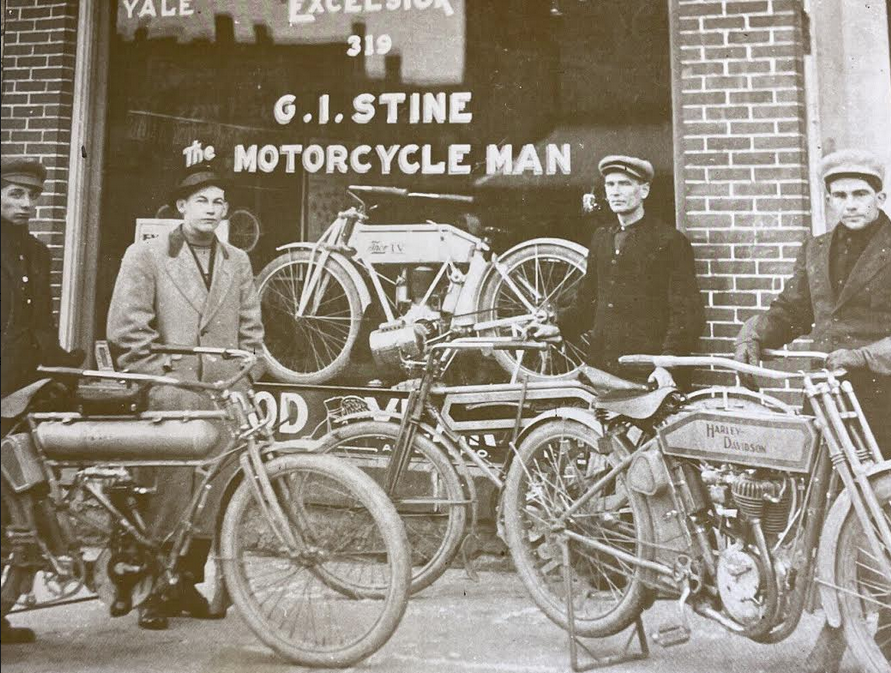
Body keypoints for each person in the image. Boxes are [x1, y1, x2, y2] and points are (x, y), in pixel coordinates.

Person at [734, 148, 891, 672]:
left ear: (879, 196)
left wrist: (867, 355)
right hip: (828, 403)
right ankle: (838, 628)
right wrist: (759, 330)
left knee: (880, 522)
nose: (850, 204)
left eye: (860, 194)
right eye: (840, 195)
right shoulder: (815, 248)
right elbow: (793, 309)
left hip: (882, 402)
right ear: (828, 199)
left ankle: (877, 633)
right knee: (826, 519)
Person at [106, 164, 264, 630]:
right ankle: (150, 591)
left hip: (223, 397)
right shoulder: (146, 256)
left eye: (218, 202)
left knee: (212, 496)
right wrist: (160, 380)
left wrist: (244, 376)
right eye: (202, 200)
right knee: (166, 496)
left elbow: (252, 332)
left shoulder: (237, 260)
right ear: (181, 206)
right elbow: (127, 331)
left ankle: (184, 584)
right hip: (172, 399)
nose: (211, 209)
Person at [1, 157, 85, 644]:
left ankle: (5, 604)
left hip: (24, 389)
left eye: (31, 196)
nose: (25, 204)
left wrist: (66, 366)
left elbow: (42, 326)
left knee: (28, 496)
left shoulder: (37, 252)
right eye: (14, 194)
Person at [533, 155, 704, 388]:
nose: (615, 192)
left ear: (644, 191)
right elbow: (588, 303)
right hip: (603, 369)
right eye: (610, 185)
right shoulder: (602, 238)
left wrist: (665, 365)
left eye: (624, 184)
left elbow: (687, 314)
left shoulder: (669, 240)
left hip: (648, 372)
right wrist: (558, 327)